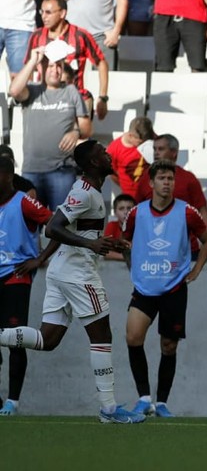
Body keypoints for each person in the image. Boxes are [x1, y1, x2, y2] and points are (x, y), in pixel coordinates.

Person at [0, 140, 143, 423]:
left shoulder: (89, 192)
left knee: (47, 339)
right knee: (102, 337)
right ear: (92, 163)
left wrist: (101, 242)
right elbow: (53, 227)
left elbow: (69, 229)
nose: (107, 155)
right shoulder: (84, 192)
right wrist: (90, 246)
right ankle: (109, 410)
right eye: (102, 153)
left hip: (61, 270)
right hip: (78, 274)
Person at [121, 160, 207, 419]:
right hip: (144, 287)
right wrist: (133, 266)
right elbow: (124, 241)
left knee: (168, 346)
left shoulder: (187, 212)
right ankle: (144, 398)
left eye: (170, 178)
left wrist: (196, 270)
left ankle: (161, 402)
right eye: (161, 178)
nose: (167, 182)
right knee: (133, 337)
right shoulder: (137, 213)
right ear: (151, 183)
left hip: (173, 287)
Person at [0, 156, 51, 416]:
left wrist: (39, 259)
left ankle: (13, 401)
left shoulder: (23, 202)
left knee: (14, 338)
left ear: (8, 176)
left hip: (16, 275)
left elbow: (55, 224)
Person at [11, 47, 90, 209]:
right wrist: (33, 60)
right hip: (31, 172)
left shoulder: (71, 92)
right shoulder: (32, 91)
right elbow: (14, 91)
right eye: (51, 66)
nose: (56, 70)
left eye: (59, 65)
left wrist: (76, 132)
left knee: (60, 228)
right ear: (41, 68)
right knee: (30, 226)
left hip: (62, 171)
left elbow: (87, 129)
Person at [26, 0, 109, 121]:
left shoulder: (81, 35)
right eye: (41, 12)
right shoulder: (36, 36)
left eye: (48, 12)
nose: (43, 16)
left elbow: (101, 63)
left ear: (62, 13)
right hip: (45, 98)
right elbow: (28, 67)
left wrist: (103, 97)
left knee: (86, 99)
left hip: (74, 97)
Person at [133, 135, 207, 242]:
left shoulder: (188, 178)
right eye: (154, 149)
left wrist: (204, 241)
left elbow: (202, 210)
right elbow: (136, 210)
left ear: (174, 152)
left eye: (161, 149)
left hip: (185, 246)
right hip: (151, 244)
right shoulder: (146, 177)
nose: (156, 153)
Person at [107, 116, 155, 197]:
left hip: (152, 195)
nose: (145, 145)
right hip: (130, 198)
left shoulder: (153, 139)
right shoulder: (114, 149)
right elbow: (113, 173)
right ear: (130, 136)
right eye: (141, 143)